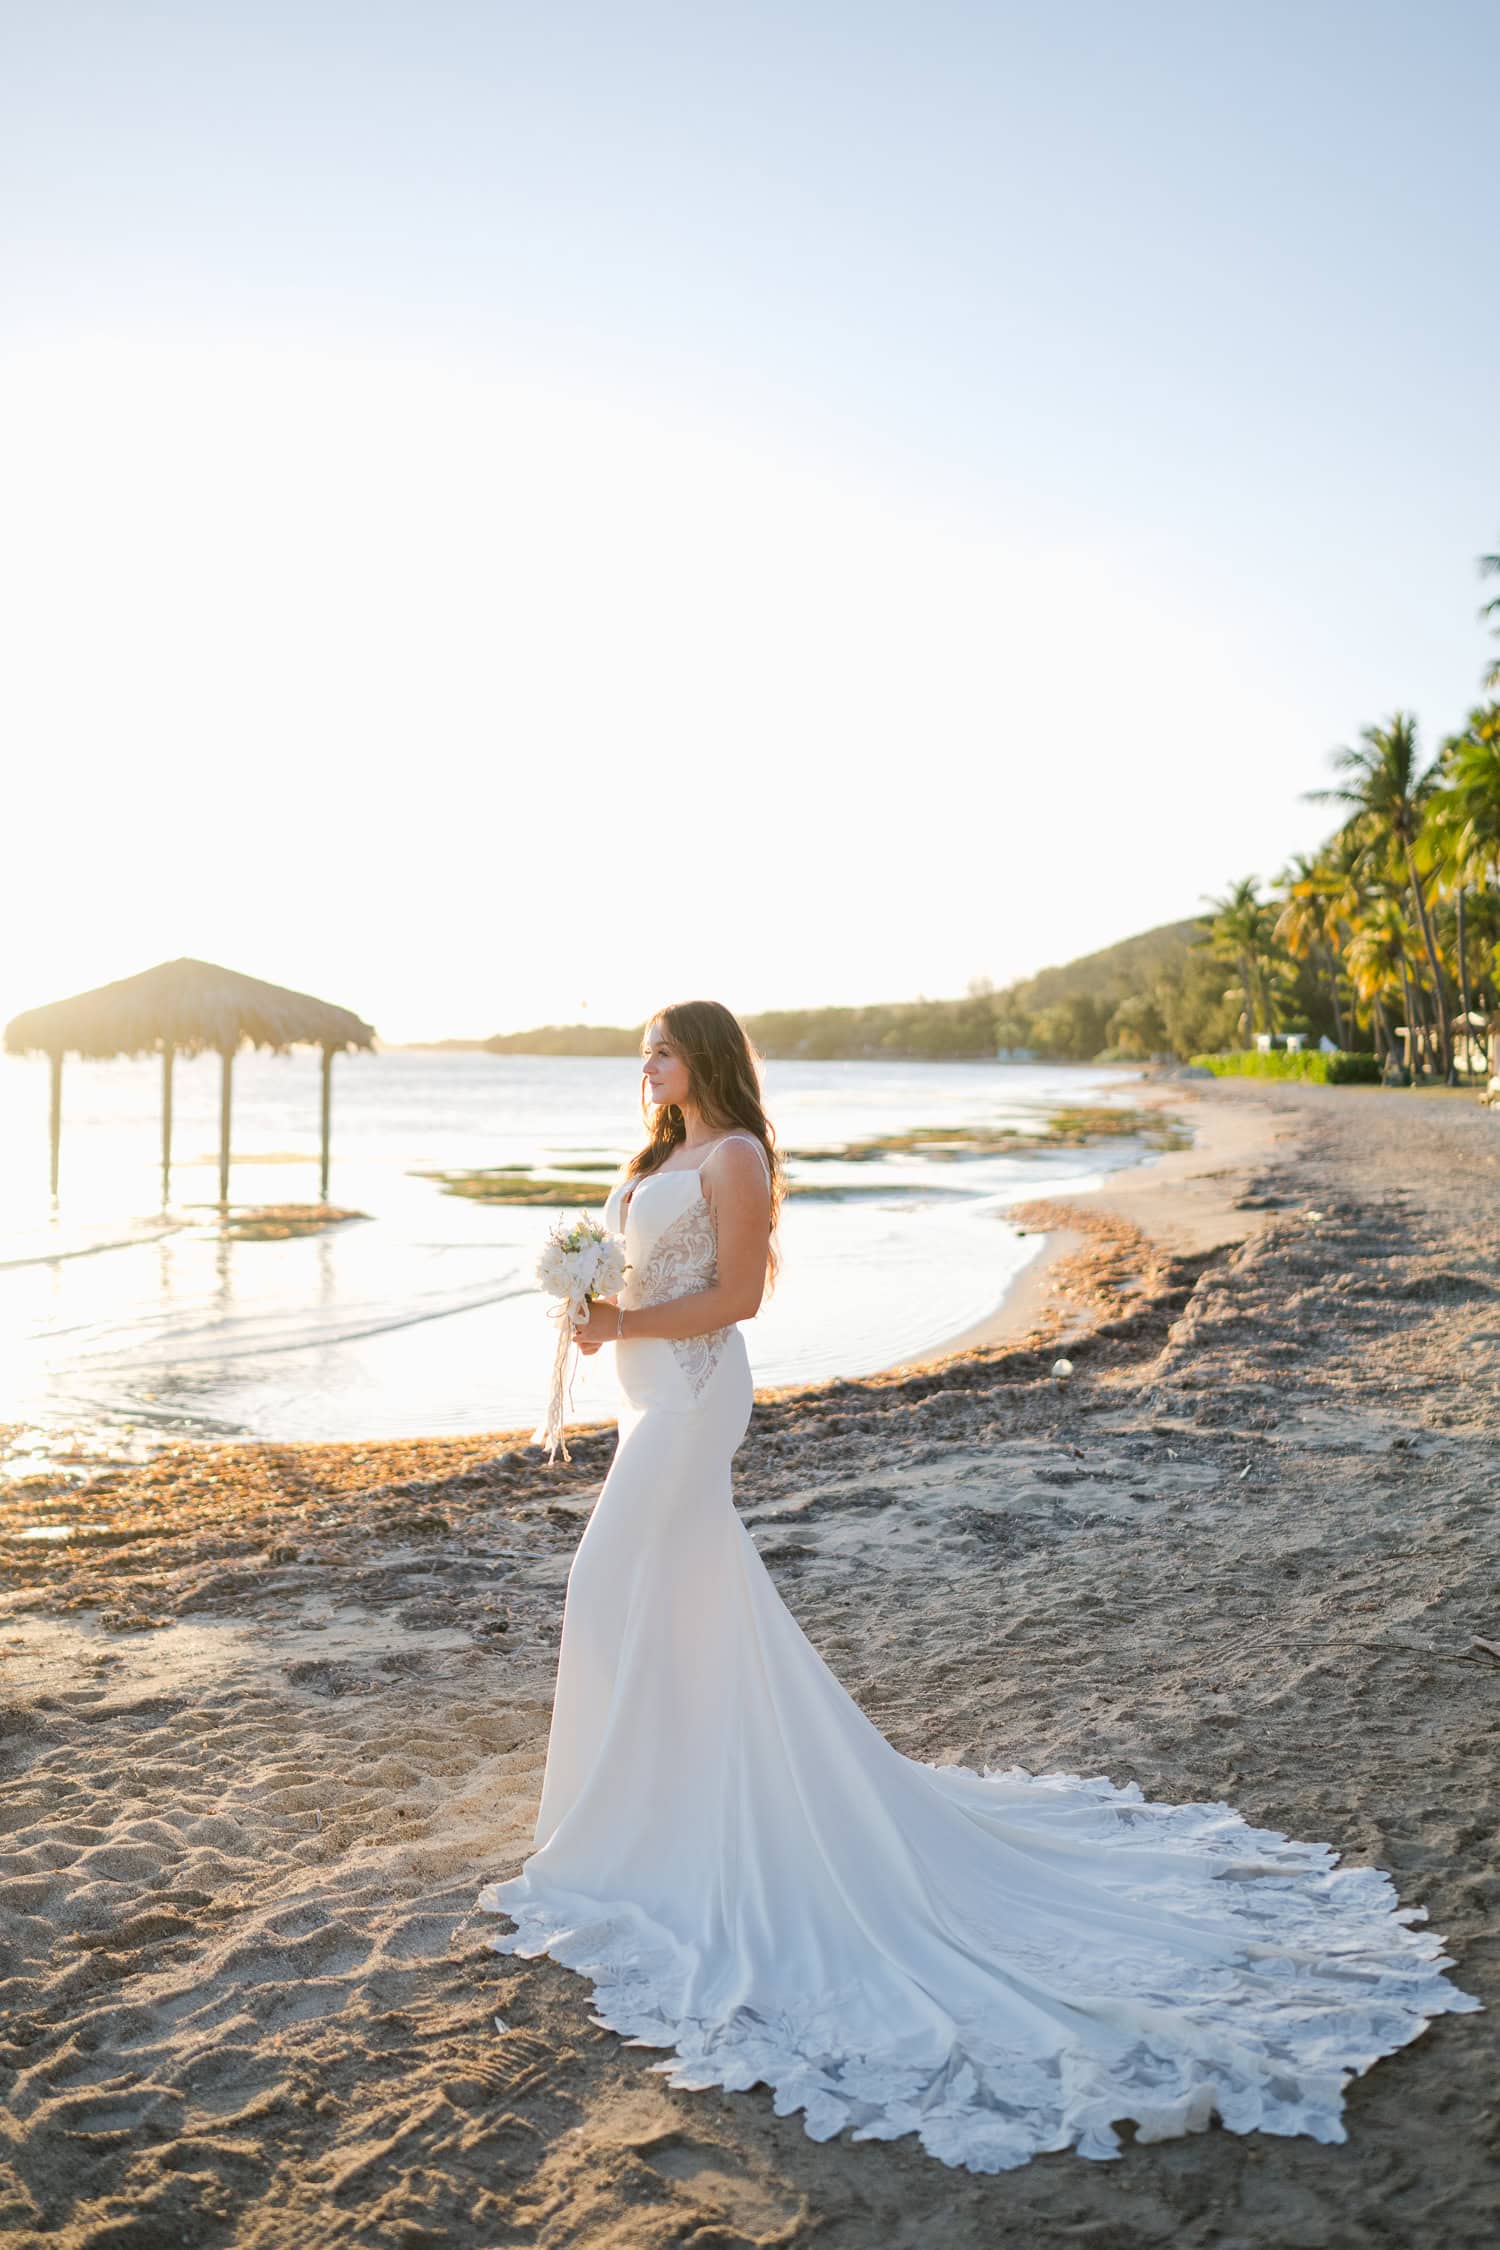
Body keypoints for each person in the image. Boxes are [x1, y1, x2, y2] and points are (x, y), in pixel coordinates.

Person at [478, 999, 1477, 2173]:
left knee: (602, 1594)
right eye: (640, 1050)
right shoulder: (658, 1156)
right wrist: (596, 1313)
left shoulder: (737, 1155)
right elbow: (651, 1271)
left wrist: (624, 1315)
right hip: (646, 1394)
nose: (645, 1066)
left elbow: (740, 1298)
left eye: (662, 1048)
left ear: (704, 1060)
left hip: (694, 1399)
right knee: (686, 1609)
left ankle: (609, 1829)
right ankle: (660, 1812)